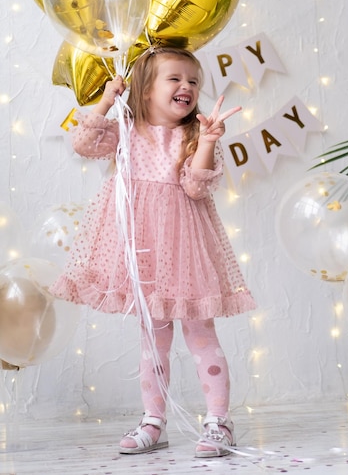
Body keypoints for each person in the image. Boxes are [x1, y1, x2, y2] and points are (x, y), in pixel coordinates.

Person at [50, 46, 256, 458]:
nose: (187, 87)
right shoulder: (126, 128)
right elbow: (83, 143)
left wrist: (210, 141)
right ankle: (153, 420)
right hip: (138, 248)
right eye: (175, 79)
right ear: (145, 91)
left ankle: (219, 419)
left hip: (183, 249)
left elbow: (196, 188)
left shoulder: (192, 134)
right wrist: (108, 99)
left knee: (201, 333)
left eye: (193, 81)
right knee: (152, 339)